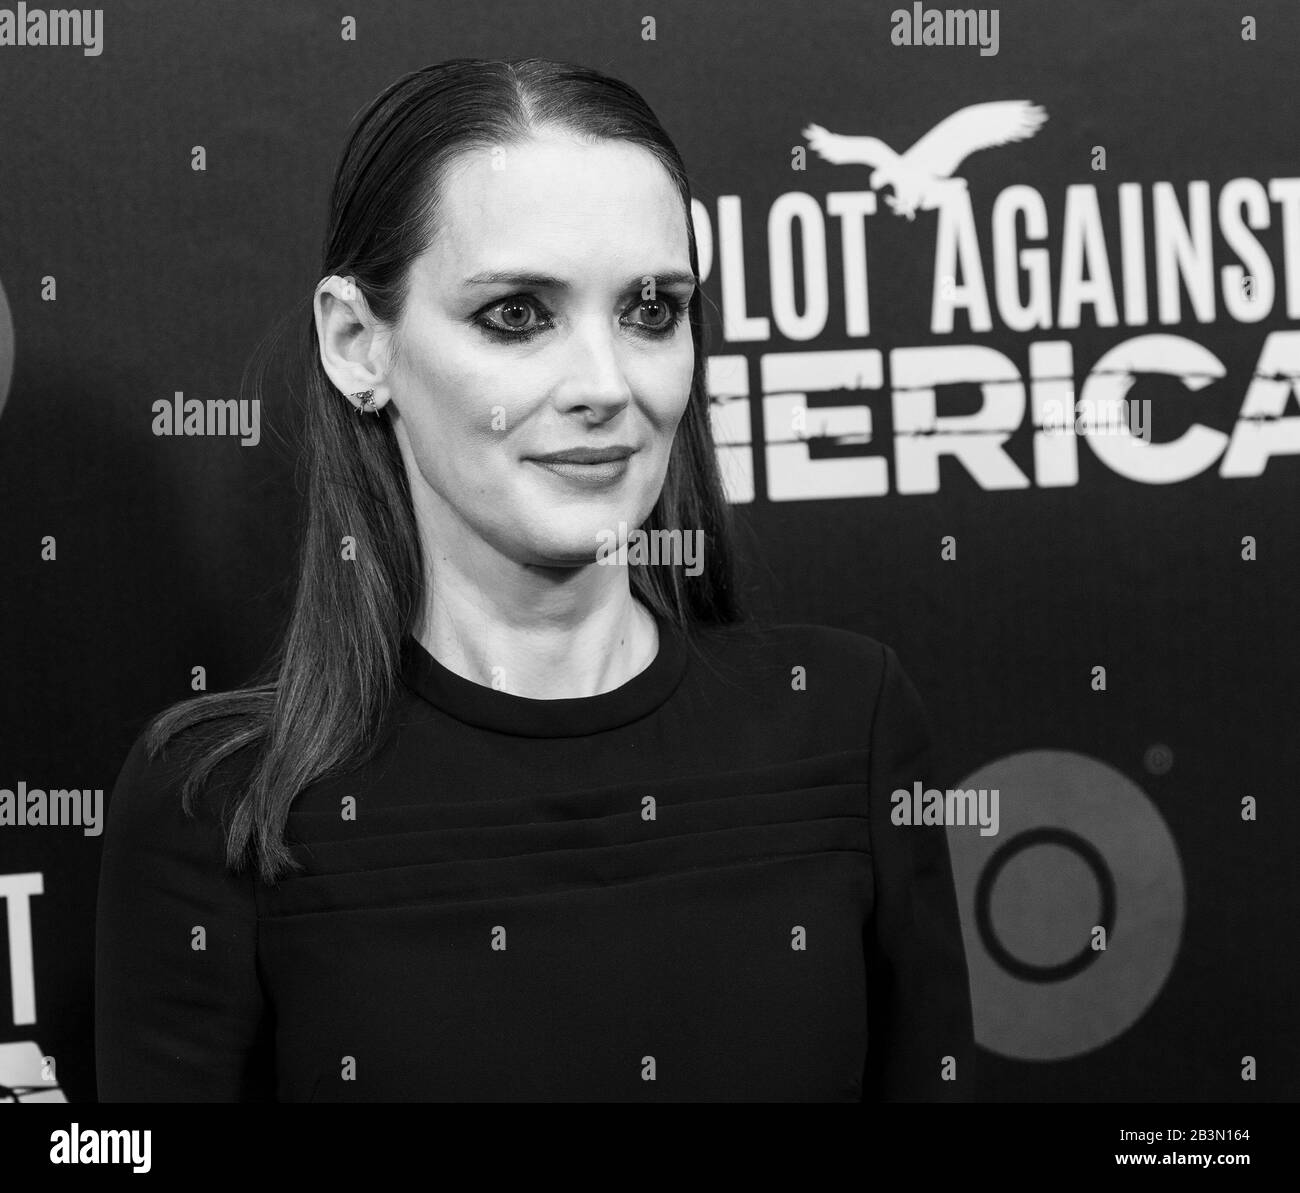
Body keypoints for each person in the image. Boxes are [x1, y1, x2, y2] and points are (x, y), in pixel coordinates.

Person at [94, 56, 974, 1102]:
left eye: (651, 310)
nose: (606, 385)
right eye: (517, 314)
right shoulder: (221, 801)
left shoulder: (846, 723)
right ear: (355, 342)